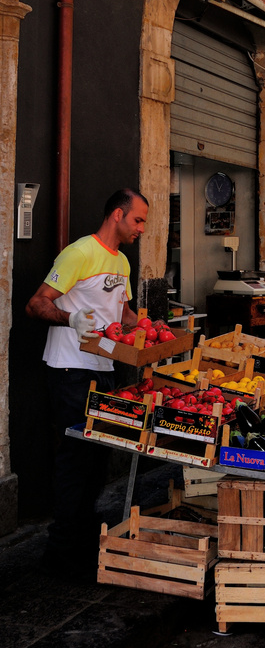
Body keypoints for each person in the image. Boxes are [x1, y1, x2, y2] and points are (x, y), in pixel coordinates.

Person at [26, 188, 148, 577]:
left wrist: (151, 328)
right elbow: (37, 303)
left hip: (104, 368)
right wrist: (69, 318)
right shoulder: (79, 253)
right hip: (69, 369)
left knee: (97, 458)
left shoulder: (123, 263)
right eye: (138, 220)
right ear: (117, 214)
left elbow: (123, 312)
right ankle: (59, 554)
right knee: (75, 459)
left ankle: (79, 543)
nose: (141, 228)